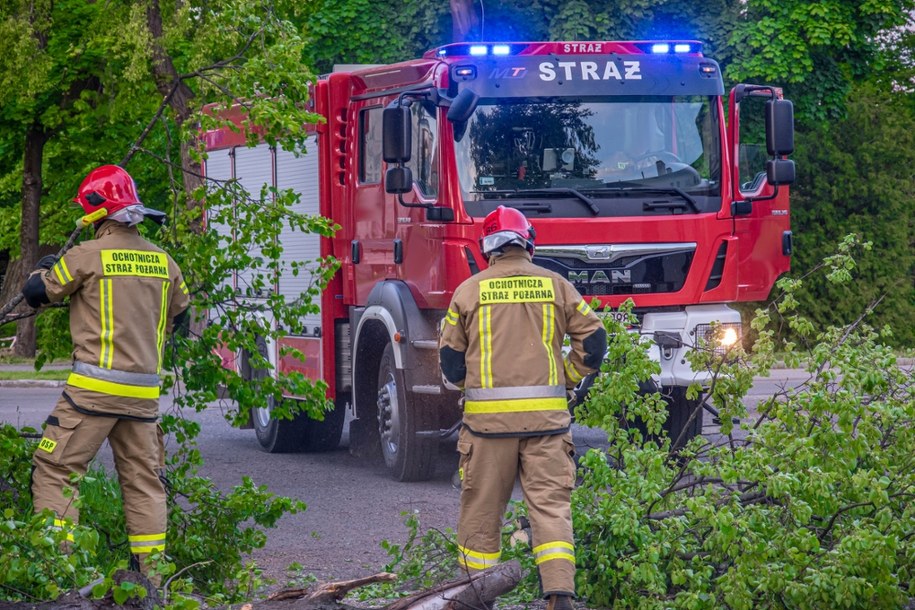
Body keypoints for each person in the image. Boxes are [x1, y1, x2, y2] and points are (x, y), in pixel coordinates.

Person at [21, 165, 190, 583]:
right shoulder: (164, 262)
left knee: (56, 470)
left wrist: (41, 270)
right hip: (143, 399)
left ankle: (58, 569)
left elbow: (39, 292)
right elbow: (182, 316)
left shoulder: (86, 256)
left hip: (90, 395)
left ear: (98, 212)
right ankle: (152, 579)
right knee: (144, 484)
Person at [439, 206, 608, 610]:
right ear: (528, 242)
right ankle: (559, 595)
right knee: (551, 510)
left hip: (486, 430)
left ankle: (475, 599)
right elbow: (595, 341)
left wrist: (472, 385)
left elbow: (450, 362)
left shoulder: (469, 291)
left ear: (488, 248)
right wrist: (567, 376)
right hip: (547, 427)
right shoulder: (557, 286)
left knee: (481, 517)